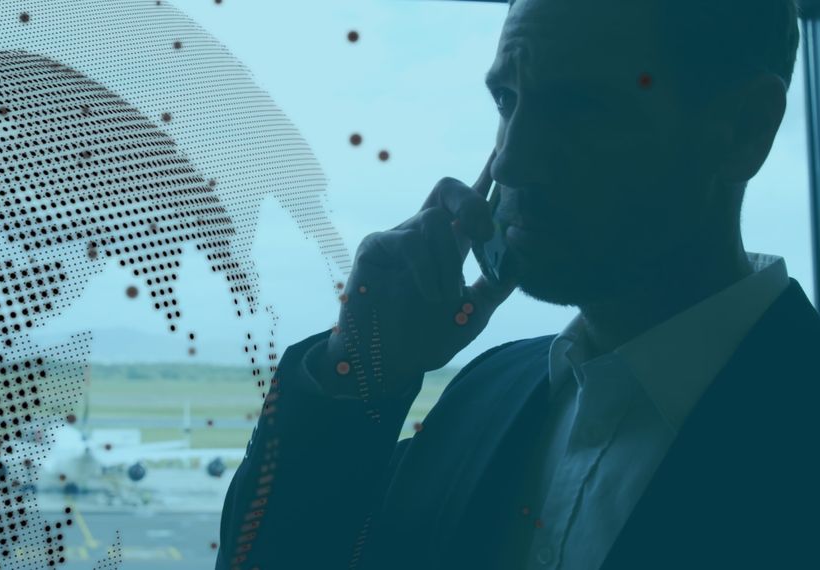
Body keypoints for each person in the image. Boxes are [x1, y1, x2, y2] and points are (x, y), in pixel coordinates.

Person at [215, 0, 819, 568]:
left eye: (579, 106)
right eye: (507, 100)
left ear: (744, 129)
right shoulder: (481, 395)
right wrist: (360, 372)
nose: (510, 161)